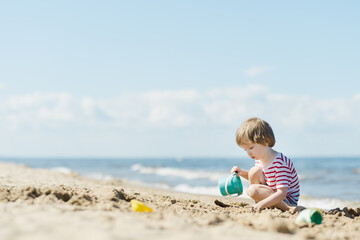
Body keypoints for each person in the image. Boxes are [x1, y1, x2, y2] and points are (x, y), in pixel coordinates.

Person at [231, 117, 300, 211]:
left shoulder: (279, 162)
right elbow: (262, 179)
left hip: (286, 200)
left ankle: (288, 208)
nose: (248, 153)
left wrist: (262, 203)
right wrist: (242, 173)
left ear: (266, 141)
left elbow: (282, 193)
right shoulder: (259, 159)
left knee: (252, 190)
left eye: (251, 147)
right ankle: (263, 205)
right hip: (271, 195)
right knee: (254, 171)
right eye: (245, 150)